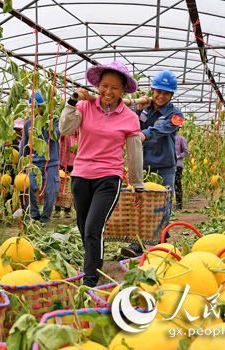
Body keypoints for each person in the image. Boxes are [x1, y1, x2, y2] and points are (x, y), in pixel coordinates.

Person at [60, 61, 144, 288]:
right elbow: (65, 129)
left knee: (93, 228)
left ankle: (90, 281)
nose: (108, 92)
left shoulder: (129, 118)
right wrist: (73, 100)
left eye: (115, 88)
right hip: (80, 176)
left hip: (109, 178)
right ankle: (95, 263)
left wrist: (137, 185)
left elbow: (135, 153)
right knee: (83, 226)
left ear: (124, 90)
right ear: (98, 85)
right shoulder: (85, 107)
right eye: (105, 86)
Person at [121, 70, 183, 257]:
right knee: (137, 204)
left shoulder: (176, 114)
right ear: (152, 90)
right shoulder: (143, 108)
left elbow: (163, 129)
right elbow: (127, 121)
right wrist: (137, 110)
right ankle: (136, 244)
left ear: (171, 95)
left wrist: (145, 134)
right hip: (140, 165)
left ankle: (159, 242)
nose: (161, 96)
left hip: (164, 167)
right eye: (158, 91)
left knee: (162, 205)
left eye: (166, 93)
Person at [19, 91, 60, 225]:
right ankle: (33, 214)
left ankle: (46, 217)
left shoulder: (54, 120)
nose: (36, 110)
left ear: (45, 106)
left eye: (39, 106)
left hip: (51, 162)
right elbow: (24, 145)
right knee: (28, 186)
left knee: (51, 190)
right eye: (33, 107)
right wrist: (22, 164)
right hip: (33, 163)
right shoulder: (28, 124)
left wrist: (47, 124)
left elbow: (57, 136)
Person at [53, 133, 78, 218]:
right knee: (60, 187)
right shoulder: (66, 135)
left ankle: (68, 210)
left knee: (70, 189)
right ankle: (57, 210)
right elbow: (59, 135)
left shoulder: (80, 136)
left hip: (76, 165)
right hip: (64, 164)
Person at [175, 127, 189, 210]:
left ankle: (179, 205)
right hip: (168, 165)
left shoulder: (181, 139)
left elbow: (186, 152)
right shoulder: (167, 138)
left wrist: (178, 156)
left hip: (177, 165)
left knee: (177, 185)